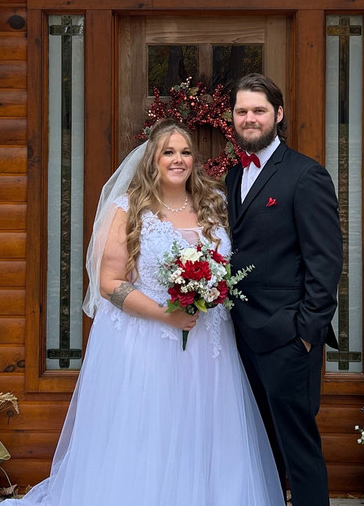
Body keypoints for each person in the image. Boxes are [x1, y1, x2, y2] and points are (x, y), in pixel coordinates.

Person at [24, 119, 283, 506]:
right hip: (148, 343)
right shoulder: (128, 208)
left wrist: (213, 289)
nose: (178, 160)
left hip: (210, 344)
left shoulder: (212, 202)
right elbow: (109, 282)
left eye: (185, 152)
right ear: (152, 159)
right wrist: (166, 314)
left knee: (207, 431)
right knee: (152, 431)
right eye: (168, 152)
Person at [226, 73, 343, 506]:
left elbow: (325, 262)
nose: (250, 118)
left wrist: (306, 336)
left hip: (287, 340)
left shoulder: (305, 176)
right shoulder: (233, 177)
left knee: (299, 451)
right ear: (233, 119)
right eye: (242, 111)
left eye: (258, 110)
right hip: (240, 336)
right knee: (260, 448)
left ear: (278, 114)